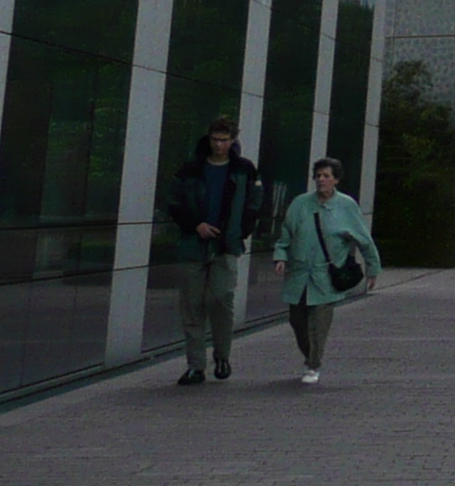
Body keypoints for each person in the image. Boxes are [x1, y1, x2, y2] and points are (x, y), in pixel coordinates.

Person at [160, 118, 264, 385]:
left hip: (226, 245)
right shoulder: (191, 169)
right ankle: (196, 365)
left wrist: (240, 232)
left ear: (232, 141)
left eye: (224, 139)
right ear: (209, 139)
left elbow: (254, 204)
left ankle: (222, 356)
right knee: (192, 305)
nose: (219, 144)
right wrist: (195, 225)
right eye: (215, 139)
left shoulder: (243, 169)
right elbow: (173, 201)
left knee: (221, 300)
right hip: (194, 244)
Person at [275, 157, 381, 386]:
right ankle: (309, 356)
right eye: (318, 175)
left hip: (325, 277)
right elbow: (286, 234)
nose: (321, 180)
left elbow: (364, 240)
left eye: (326, 176)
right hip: (299, 275)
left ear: (336, 180)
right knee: (297, 320)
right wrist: (281, 257)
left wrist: (373, 268)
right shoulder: (300, 204)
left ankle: (313, 365)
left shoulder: (346, 206)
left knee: (319, 325)